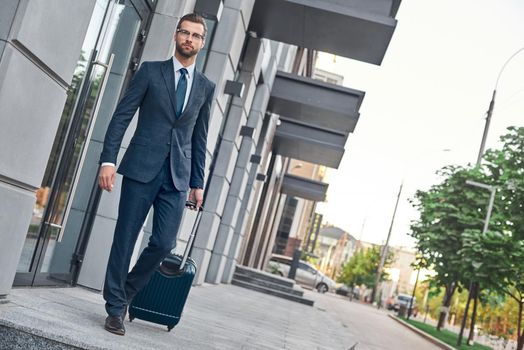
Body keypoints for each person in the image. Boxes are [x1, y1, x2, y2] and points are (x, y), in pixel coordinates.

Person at [98, 13, 215, 336]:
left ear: (202, 43)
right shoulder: (151, 72)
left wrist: (197, 182)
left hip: (176, 177)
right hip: (141, 169)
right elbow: (122, 116)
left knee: (164, 243)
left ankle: (127, 291)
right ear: (176, 36)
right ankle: (114, 307)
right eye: (185, 33)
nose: (189, 39)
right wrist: (108, 160)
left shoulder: (206, 87)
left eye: (196, 35)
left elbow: (200, 138)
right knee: (125, 237)